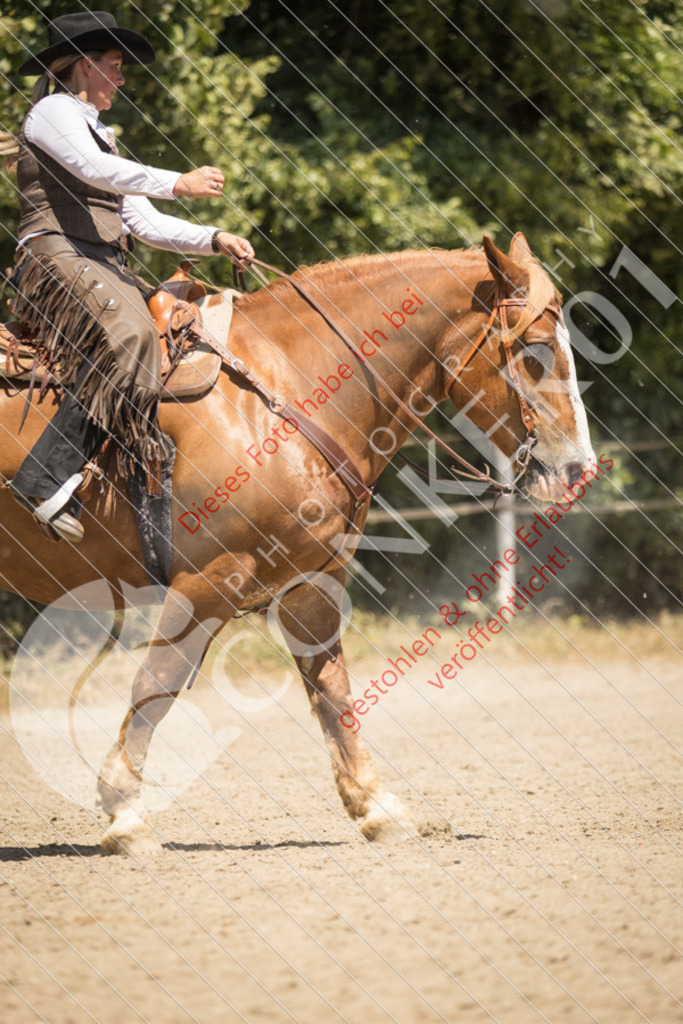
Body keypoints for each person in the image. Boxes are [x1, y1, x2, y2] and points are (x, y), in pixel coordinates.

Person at [5, 11, 255, 543]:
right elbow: (97, 174)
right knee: (135, 334)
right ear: (84, 65)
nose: (121, 78)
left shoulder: (102, 134)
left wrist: (214, 238)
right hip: (57, 257)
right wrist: (179, 181)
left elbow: (143, 221)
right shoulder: (52, 111)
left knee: (180, 332)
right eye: (114, 66)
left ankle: (126, 481)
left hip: (97, 263)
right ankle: (43, 478)